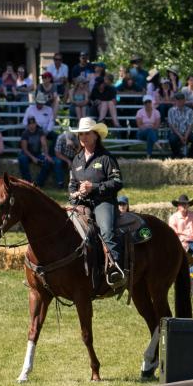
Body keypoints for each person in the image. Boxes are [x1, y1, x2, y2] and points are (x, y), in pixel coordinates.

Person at [68, 116, 124, 282]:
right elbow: (71, 185)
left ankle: (115, 267)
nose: (83, 137)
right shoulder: (76, 160)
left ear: (95, 135)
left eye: (86, 133)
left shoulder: (106, 158)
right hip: (81, 203)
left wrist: (94, 187)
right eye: (80, 134)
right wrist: (75, 194)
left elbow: (117, 182)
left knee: (106, 230)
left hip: (103, 202)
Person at [16, 116, 59, 186]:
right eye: (30, 124)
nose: (32, 125)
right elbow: (24, 149)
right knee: (22, 159)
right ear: (28, 125)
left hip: (37, 154)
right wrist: (33, 158)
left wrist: (47, 155)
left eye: (33, 123)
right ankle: (27, 182)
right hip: (26, 154)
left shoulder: (40, 132)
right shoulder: (25, 133)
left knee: (48, 162)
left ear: (36, 124)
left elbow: (44, 144)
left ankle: (38, 183)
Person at [168, 193, 193, 259]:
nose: (184, 206)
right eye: (182, 204)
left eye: (186, 204)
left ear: (188, 205)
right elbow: (174, 233)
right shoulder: (173, 218)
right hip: (182, 243)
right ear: (178, 206)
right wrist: (183, 239)